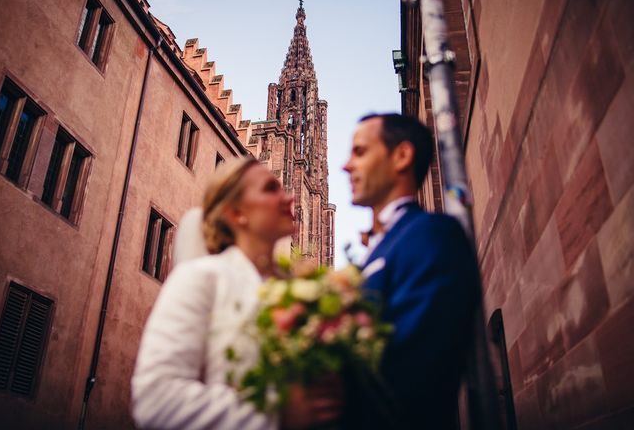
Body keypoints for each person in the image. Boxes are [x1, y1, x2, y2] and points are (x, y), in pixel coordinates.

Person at [131, 157, 342, 429]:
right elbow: (155, 401)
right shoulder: (201, 278)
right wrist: (276, 414)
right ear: (236, 213)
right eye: (270, 188)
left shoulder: (298, 290)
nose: (289, 197)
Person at [342, 113, 480, 429]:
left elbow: (414, 371)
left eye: (360, 152)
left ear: (402, 156)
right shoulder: (380, 248)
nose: (346, 166)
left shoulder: (431, 234)